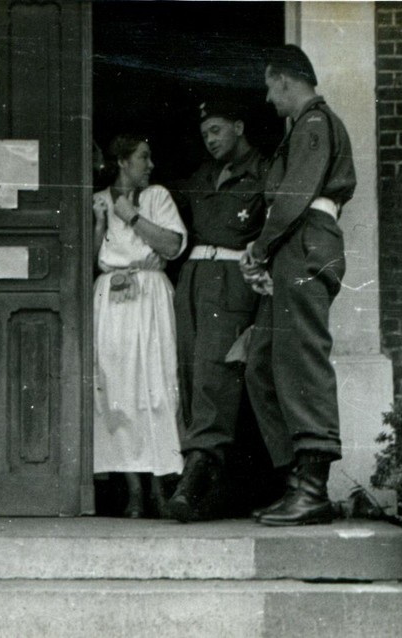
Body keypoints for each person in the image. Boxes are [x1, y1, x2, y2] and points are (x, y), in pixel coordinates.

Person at [240, 45, 356, 526]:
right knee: (263, 363)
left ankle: (312, 489)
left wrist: (261, 247)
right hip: (293, 245)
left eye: (270, 86)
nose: (268, 98)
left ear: (287, 80)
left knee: (301, 360)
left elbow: (292, 197)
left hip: (305, 244)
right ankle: (296, 481)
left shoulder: (313, 124)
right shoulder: (305, 127)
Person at [165, 99, 269, 522]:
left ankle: (196, 481)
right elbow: (162, 200)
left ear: (239, 126)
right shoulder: (202, 176)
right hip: (191, 282)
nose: (210, 140)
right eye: (205, 133)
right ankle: (208, 486)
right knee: (191, 374)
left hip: (233, 283)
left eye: (217, 130)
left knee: (215, 376)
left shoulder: (264, 172)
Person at [92, 134, 188, 518]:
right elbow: (85, 256)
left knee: (159, 387)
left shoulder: (157, 197)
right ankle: (133, 489)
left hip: (150, 294)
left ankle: (160, 485)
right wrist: (102, 220)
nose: (150, 165)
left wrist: (131, 216)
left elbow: (171, 246)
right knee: (116, 389)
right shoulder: (97, 198)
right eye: (143, 157)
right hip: (112, 297)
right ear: (122, 161)